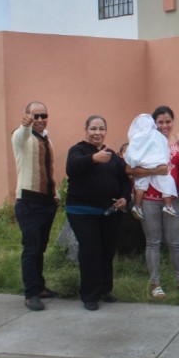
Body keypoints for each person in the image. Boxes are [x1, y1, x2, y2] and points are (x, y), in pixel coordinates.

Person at [127, 106, 179, 298]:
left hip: (172, 200)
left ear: (173, 121)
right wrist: (153, 172)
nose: (164, 125)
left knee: (176, 242)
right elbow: (129, 169)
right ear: (154, 123)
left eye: (168, 121)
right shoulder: (145, 140)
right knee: (153, 242)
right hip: (148, 199)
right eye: (160, 122)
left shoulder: (178, 142)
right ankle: (155, 284)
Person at [65, 115, 130, 311]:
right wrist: (93, 158)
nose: (97, 133)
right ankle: (89, 294)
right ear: (86, 130)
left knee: (107, 250)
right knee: (90, 250)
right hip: (82, 211)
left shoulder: (111, 154)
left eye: (101, 129)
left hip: (109, 212)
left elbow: (125, 180)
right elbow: (72, 168)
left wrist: (125, 198)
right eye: (93, 129)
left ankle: (104, 289)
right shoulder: (77, 151)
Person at [12, 101, 59, 312]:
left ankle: (39, 287)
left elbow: (48, 169)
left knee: (40, 248)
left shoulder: (47, 139)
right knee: (31, 249)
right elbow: (21, 134)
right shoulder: (21, 136)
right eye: (35, 116)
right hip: (29, 202)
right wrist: (24, 125)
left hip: (47, 203)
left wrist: (55, 194)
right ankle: (30, 293)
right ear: (28, 117)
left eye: (43, 115)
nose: (40, 119)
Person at [124, 113, 178, 220]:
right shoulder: (157, 135)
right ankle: (168, 205)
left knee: (141, 185)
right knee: (167, 181)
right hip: (157, 164)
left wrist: (134, 162)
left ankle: (138, 206)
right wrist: (163, 161)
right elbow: (164, 147)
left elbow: (131, 153)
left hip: (141, 165)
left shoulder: (137, 137)